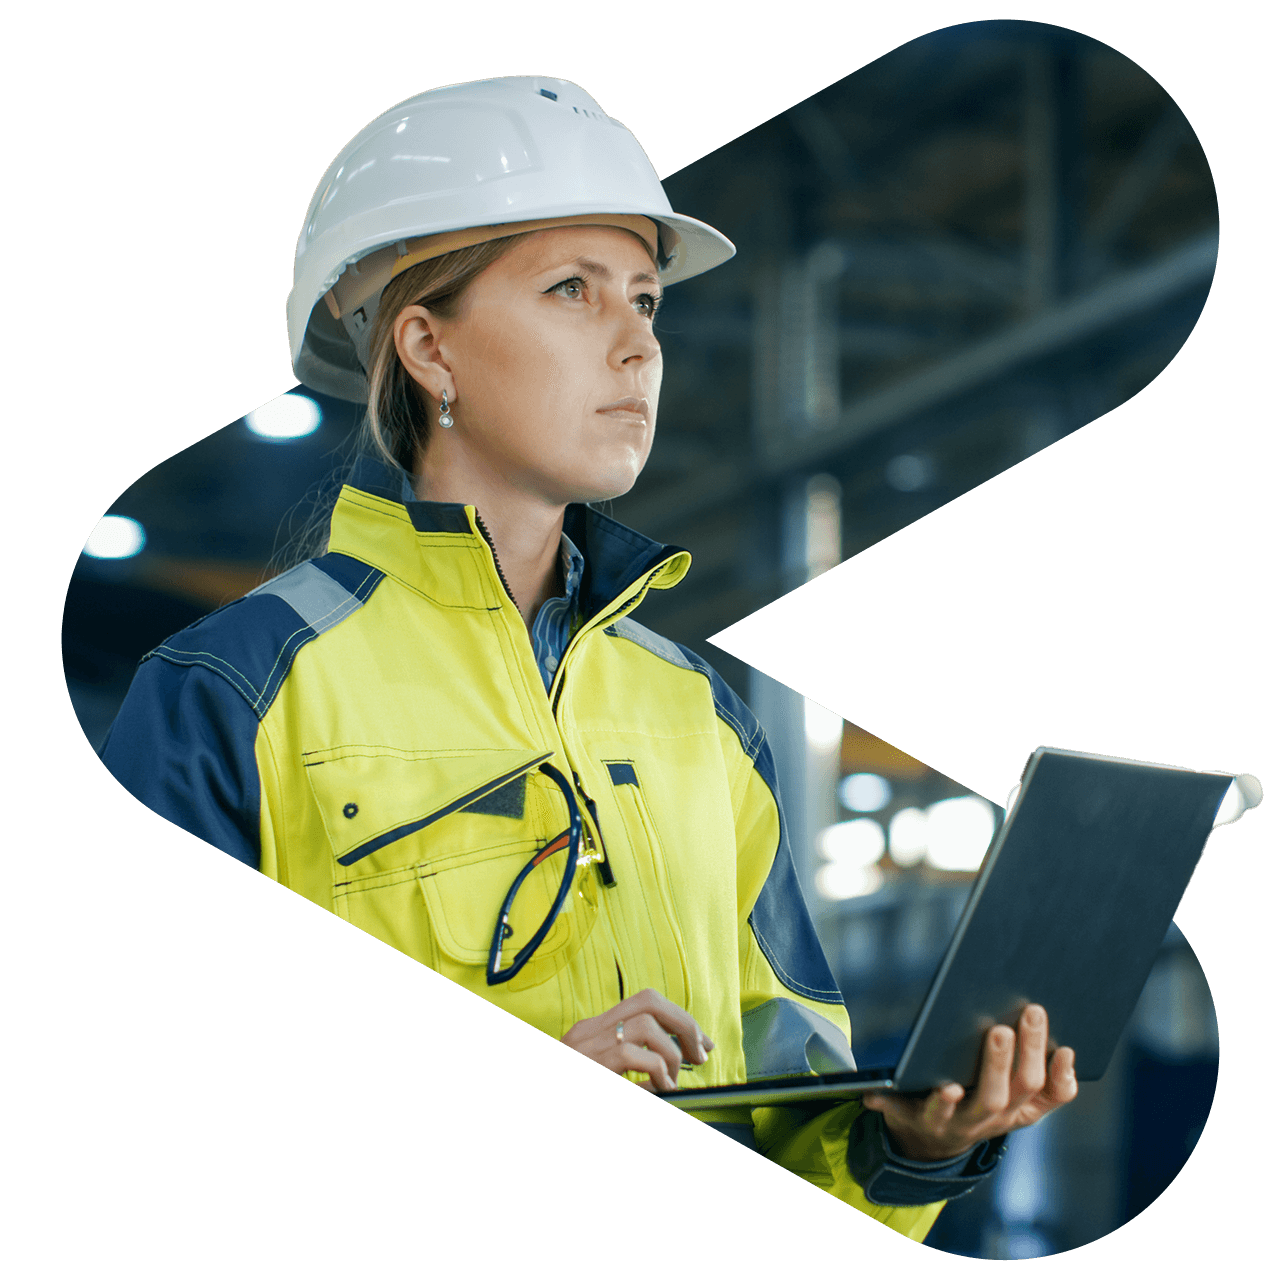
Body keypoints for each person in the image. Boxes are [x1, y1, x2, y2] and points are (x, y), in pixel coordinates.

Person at [95, 77, 1075, 1242]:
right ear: (426, 345)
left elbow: (792, 1083)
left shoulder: (699, 712)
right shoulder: (229, 691)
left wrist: (913, 1147)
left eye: (647, 300)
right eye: (571, 290)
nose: (637, 345)